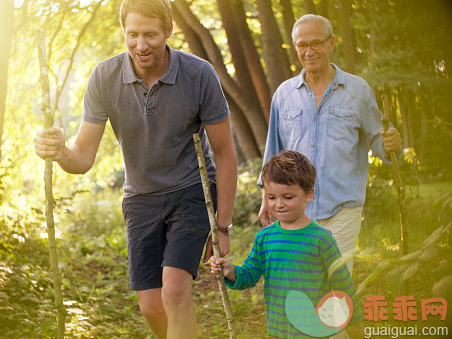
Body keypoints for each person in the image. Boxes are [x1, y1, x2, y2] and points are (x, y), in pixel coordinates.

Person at [34, 0, 237, 338]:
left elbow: (225, 153)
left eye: (150, 35)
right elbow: (82, 157)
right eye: (133, 34)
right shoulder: (104, 77)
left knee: (174, 292)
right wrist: (57, 151)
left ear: (168, 31)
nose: (141, 45)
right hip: (141, 200)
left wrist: (222, 227)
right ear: (124, 32)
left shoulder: (199, 74)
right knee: (152, 306)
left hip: (190, 193)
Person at [258, 14, 402, 272]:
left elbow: (378, 141)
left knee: (336, 280)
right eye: (302, 45)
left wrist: (391, 142)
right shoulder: (284, 94)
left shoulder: (357, 90)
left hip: (343, 206)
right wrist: (266, 198)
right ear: (295, 48)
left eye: (316, 43)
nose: (309, 51)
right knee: (303, 280)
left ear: (331, 43)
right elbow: (274, 152)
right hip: (295, 207)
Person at [210, 151, 363, 338]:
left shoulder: (321, 239)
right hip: (279, 330)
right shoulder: (264, 238)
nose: (278, 204)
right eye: (271, 197)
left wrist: (356, 327)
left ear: (308, 195)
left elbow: (343, 285)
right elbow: (250, 275)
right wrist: (231, 271)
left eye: (288, 197)